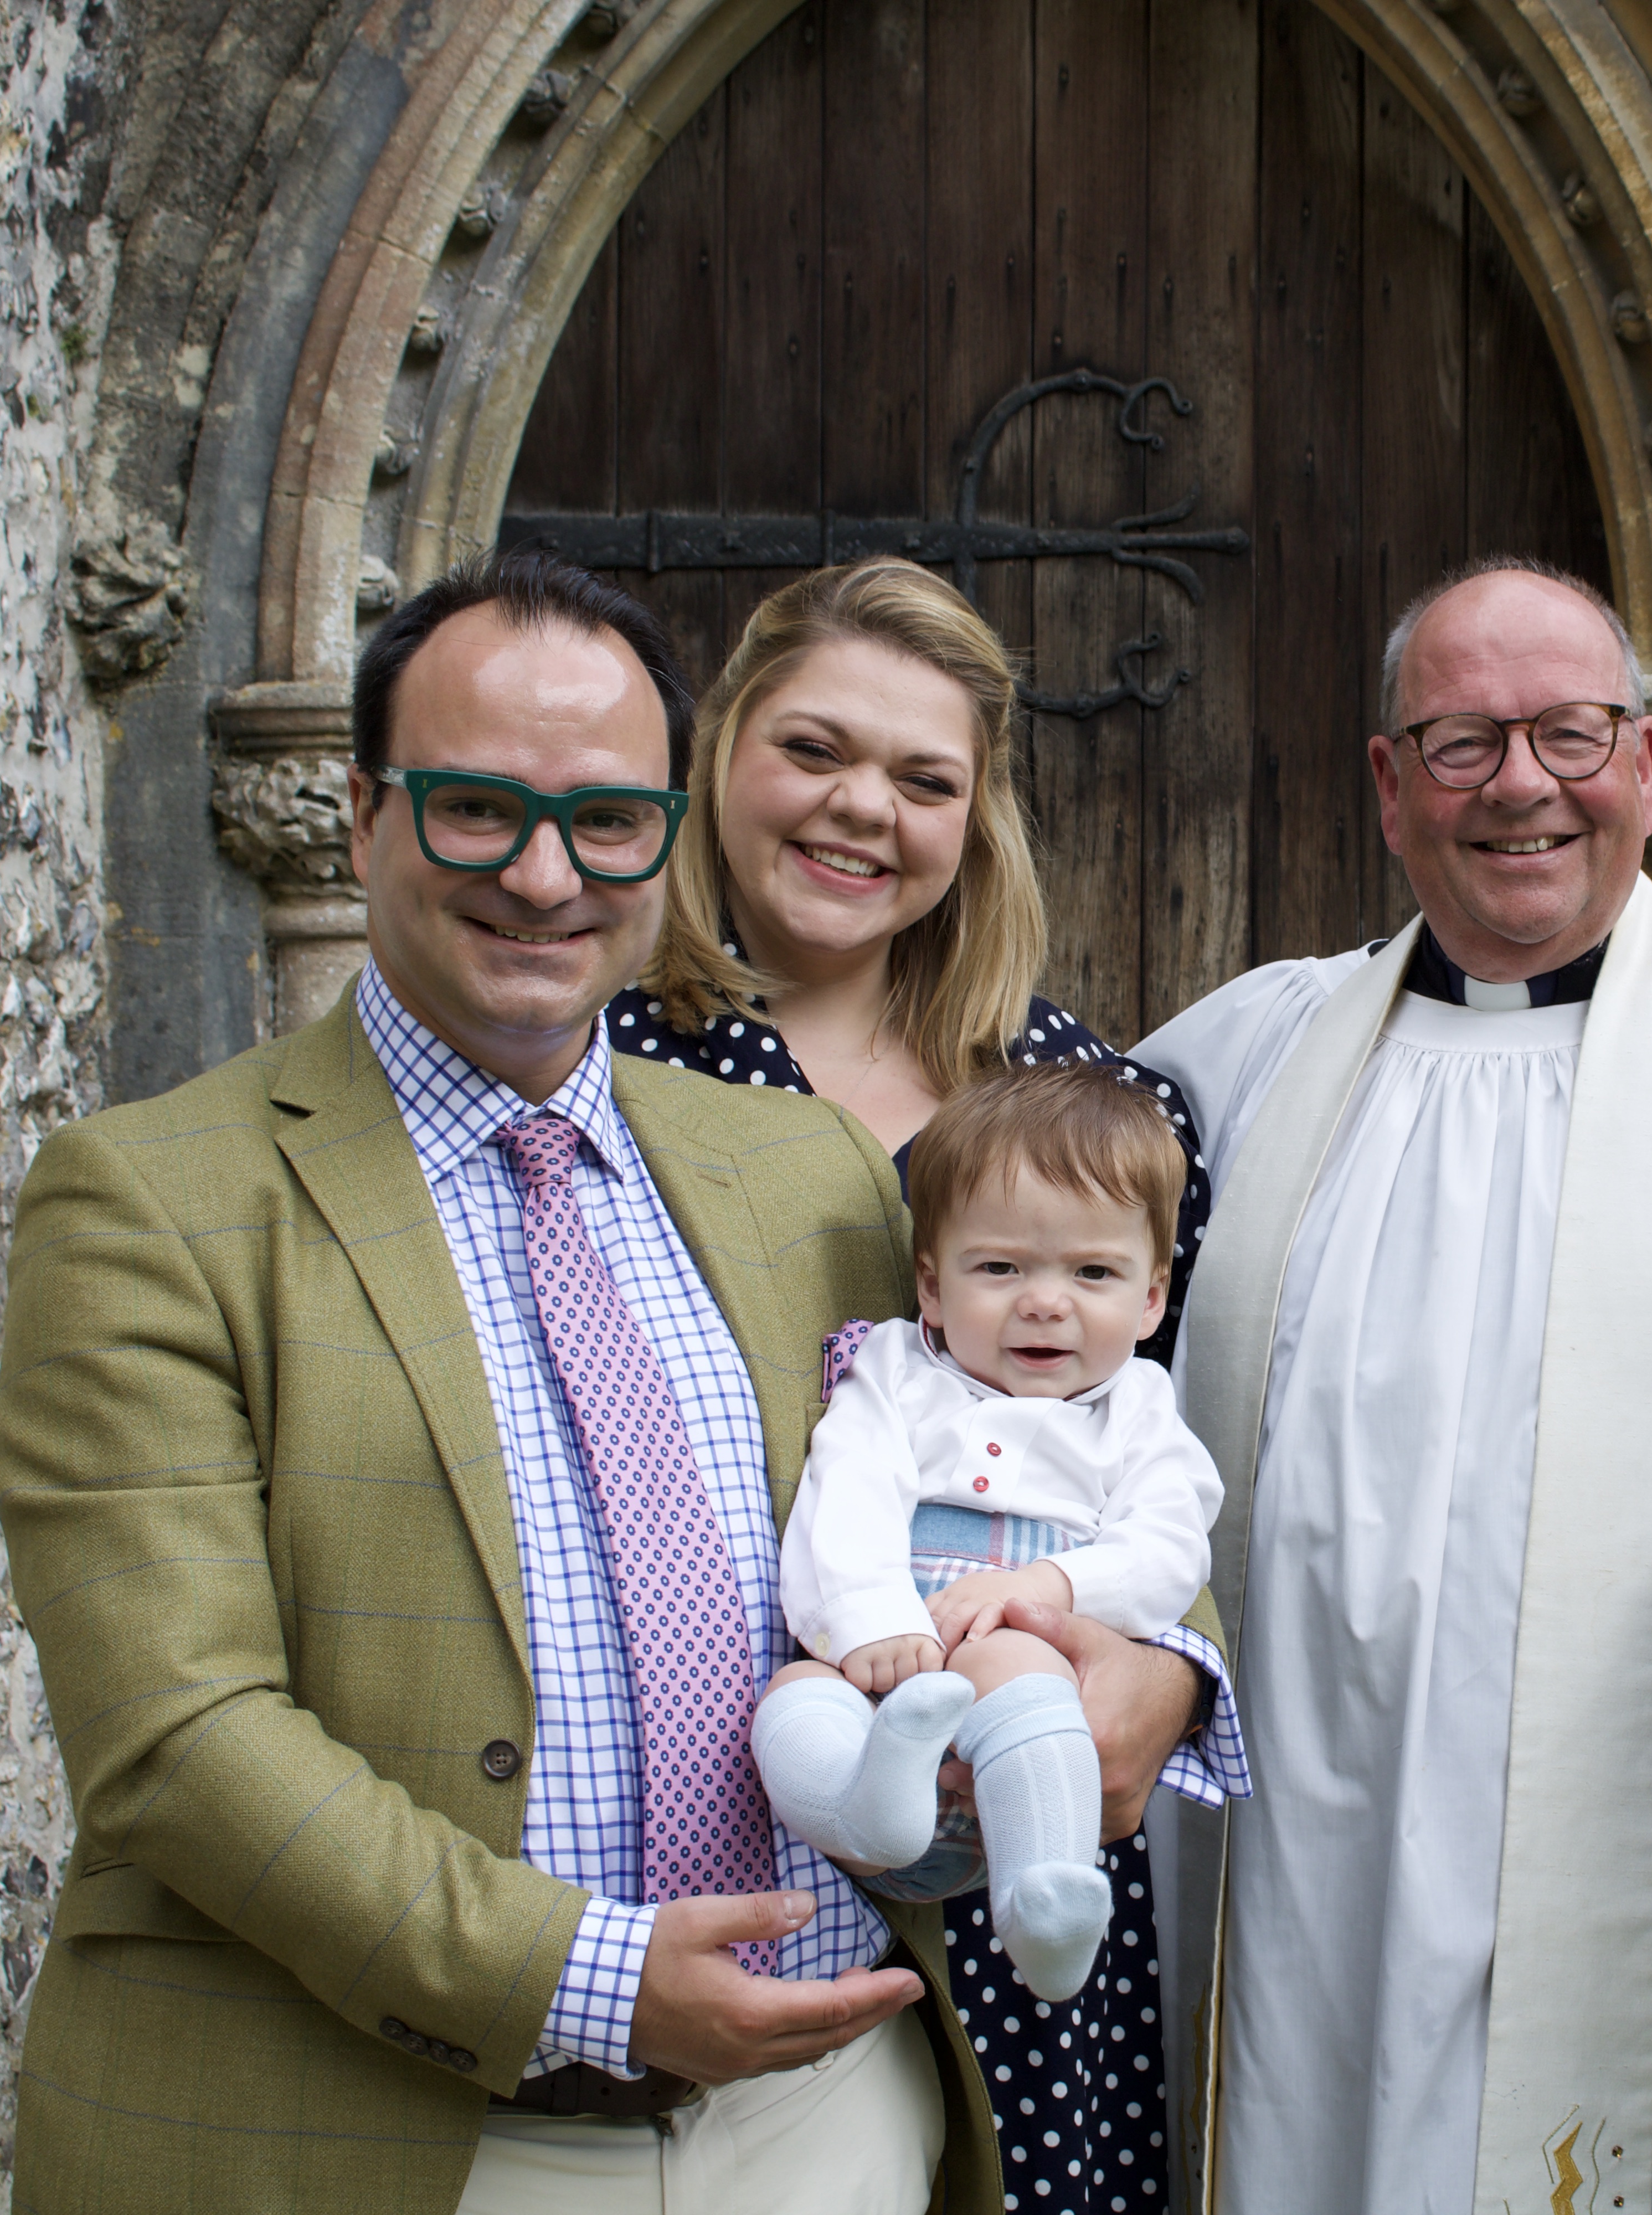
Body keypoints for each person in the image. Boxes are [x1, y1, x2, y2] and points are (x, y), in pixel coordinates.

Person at [0, 550, 1008, 2214]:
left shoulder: (807, 1173)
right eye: (478, 809)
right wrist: (595, 1979)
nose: (546, 878)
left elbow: (994, 1471)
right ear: (364, 813)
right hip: (398, 2131)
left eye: (608, 822)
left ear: (664, 835)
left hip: (827, 2124)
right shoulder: (151, 1201)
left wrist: (1140, 1663)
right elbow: (175, 1735)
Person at [1136, 557, 1652, 2215]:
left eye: (1572, 735)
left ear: (1648, 763)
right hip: (1313, 1860)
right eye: (1462, 741)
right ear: (1387, 783)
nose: (1523, 785)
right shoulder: (1235, 1065)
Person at [610, 555, 1244, 2215]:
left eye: (923, 778)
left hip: (1018, 1828)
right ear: (722, 748)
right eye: (814, 749)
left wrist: (1169, 1668)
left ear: (981, 817)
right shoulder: (599, 1063)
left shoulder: (1082, 1100)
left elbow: (1129, 1449)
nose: (860, 810)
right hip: (719, 1828)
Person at [758, 1062, 1223, 2006]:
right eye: (1000, 1268)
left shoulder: (1138, 1414)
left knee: (1021, 1667)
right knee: (794, 1694)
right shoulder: (895, 1370)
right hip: (882, 1684)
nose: (1045, 1302)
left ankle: (1043, 1894)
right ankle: (866, 1802)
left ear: (1151, 1298)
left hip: (1005, 1765)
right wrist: (870, 1622)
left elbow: (1170, 1550)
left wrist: (1050, 1589)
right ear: (931, 1283)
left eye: (1093, 1273)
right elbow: (847, 1488)